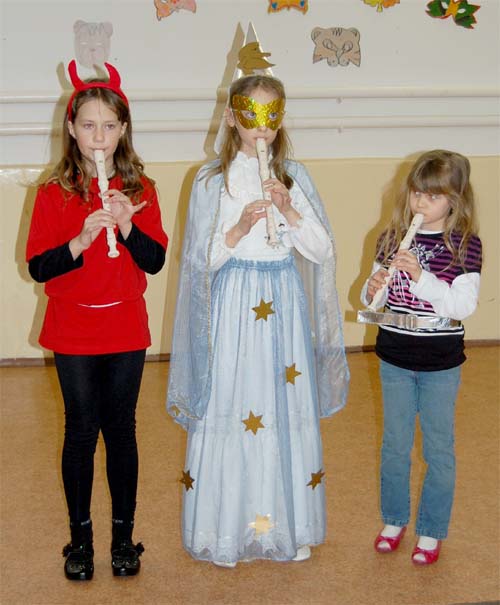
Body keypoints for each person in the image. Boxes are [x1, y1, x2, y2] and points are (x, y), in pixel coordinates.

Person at [167, 74, 349, 567]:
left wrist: (288, 211)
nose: (261, 127)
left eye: (272, 115)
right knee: (235, 404)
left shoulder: (294, 176)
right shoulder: (212, 179)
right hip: (235, 305)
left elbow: (322, 250)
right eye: (251, 115)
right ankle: (227, 528)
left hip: (282, 302)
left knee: (281, 406)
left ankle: (282, 526)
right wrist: (239, 228)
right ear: (231, 118)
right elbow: (200, 262)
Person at [26, 60, 168, 580]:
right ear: (71, 129)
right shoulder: (52, 192)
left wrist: (127, 228)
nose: (99, 137)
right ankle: (80, 540)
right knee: (81, 431)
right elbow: (39, 267)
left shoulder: (142, 188)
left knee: (122, 430)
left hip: (125, 327)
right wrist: (81, 240)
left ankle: (124, 540)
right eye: (88, 125)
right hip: (73, 329)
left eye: (109, 125)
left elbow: (154, 260)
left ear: (123, 129)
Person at [361, 150, 482, 565]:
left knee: (438, 449)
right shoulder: (391, 237)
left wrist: (420, 276)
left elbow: (461, 306)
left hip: (440, 362)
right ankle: (394, 520)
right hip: (394, 355)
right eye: (416, 194)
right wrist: (374, 287)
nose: (421, 203)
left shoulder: (465, 245)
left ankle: (431, 530)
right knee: (394, 446)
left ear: (455, 199)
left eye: (433, 197)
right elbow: (372, 301)